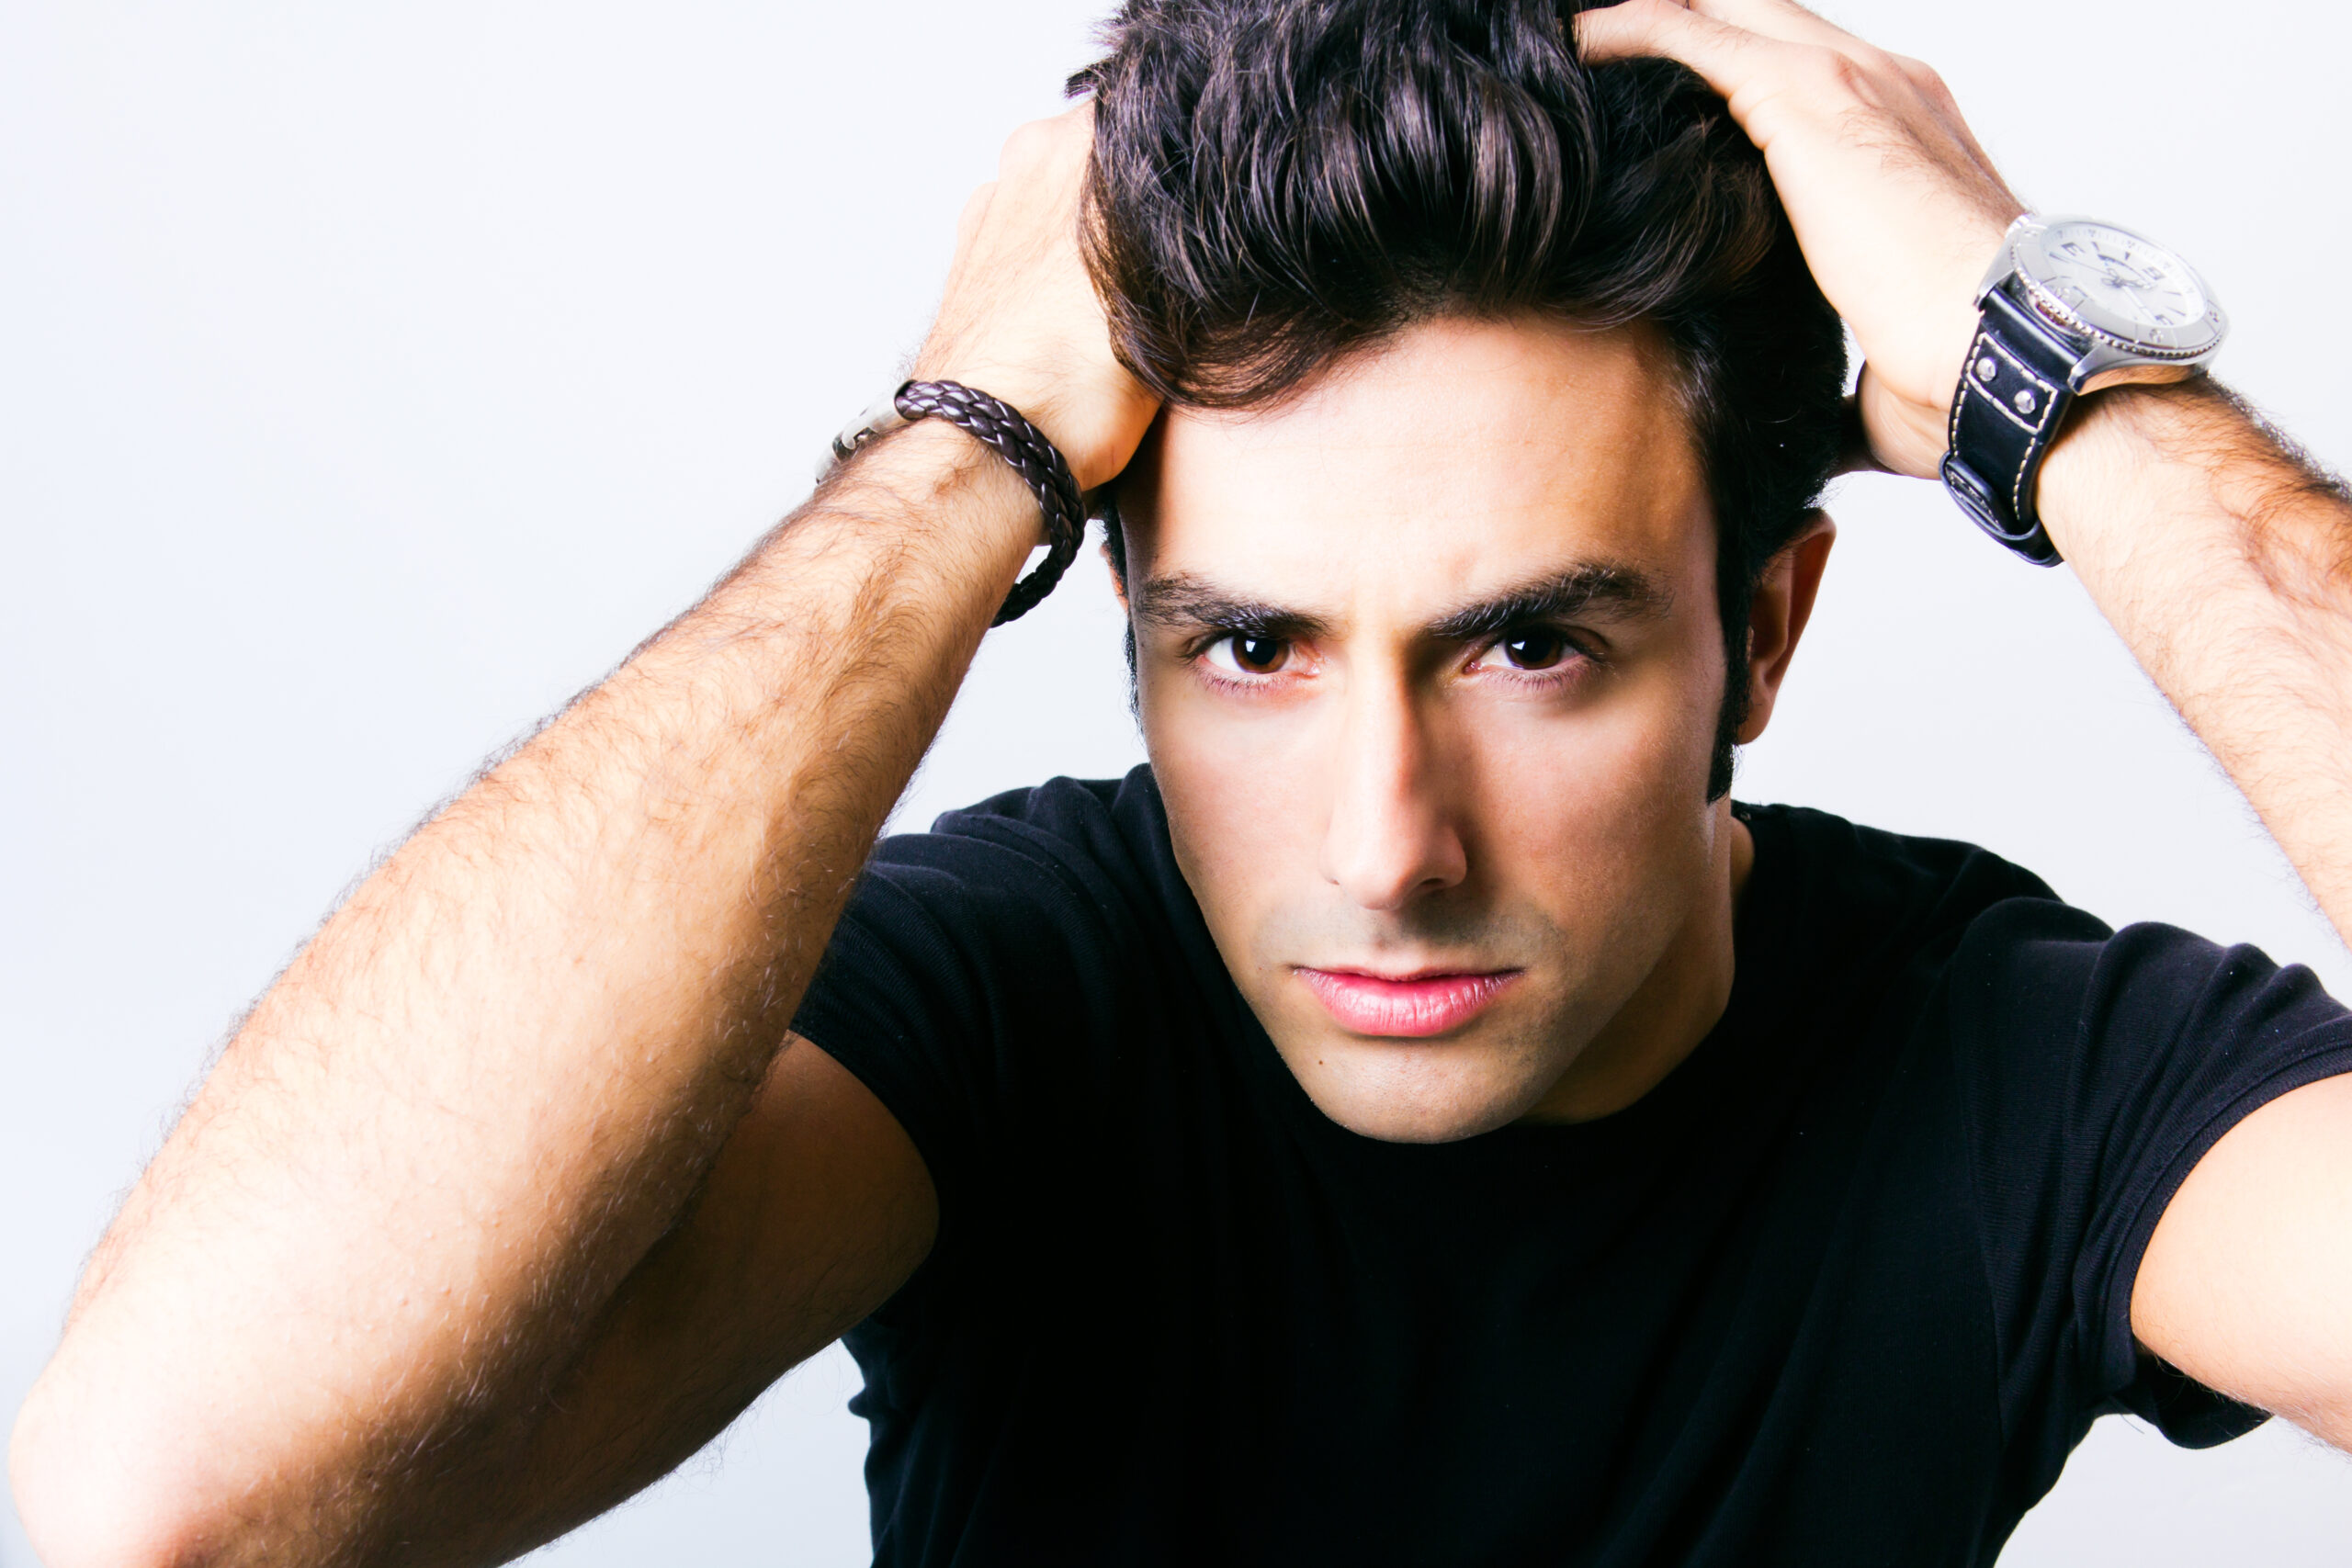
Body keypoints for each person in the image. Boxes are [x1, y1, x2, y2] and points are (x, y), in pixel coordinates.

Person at [15, 0, 2352, 1562]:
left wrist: (2072, 391)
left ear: (1756, 635)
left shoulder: (2031, 1069)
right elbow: (171, 1503)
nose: (1379, 844)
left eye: (1530, 641)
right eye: (1244, 646)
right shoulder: (1020, 993)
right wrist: (959, 455)